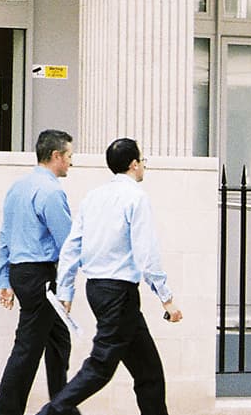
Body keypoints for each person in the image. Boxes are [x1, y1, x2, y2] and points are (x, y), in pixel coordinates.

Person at [36, 138, 183, 415]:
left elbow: (72, 246)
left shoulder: (94, 197)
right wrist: (167, 299)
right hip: (120, 293)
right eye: (143, 160)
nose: (144, 165)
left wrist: (66, 292)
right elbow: (146, 253)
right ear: (134, 164)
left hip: (99, 290)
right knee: (101, 366)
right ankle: (51, 413)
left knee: (149, 371)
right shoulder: (136, 198)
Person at [0, 129, 77, 415]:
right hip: (40, 275)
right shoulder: (51, 191)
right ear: (56, 156)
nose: (71, 162)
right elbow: (67, 244)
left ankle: (62, 406)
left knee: (58, 340)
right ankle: (6, 411)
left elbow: (5, 235)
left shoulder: (18, 187)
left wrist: (4, 279)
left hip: (22, 272)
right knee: (28, 347)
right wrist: (67, 289)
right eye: (69, 156)